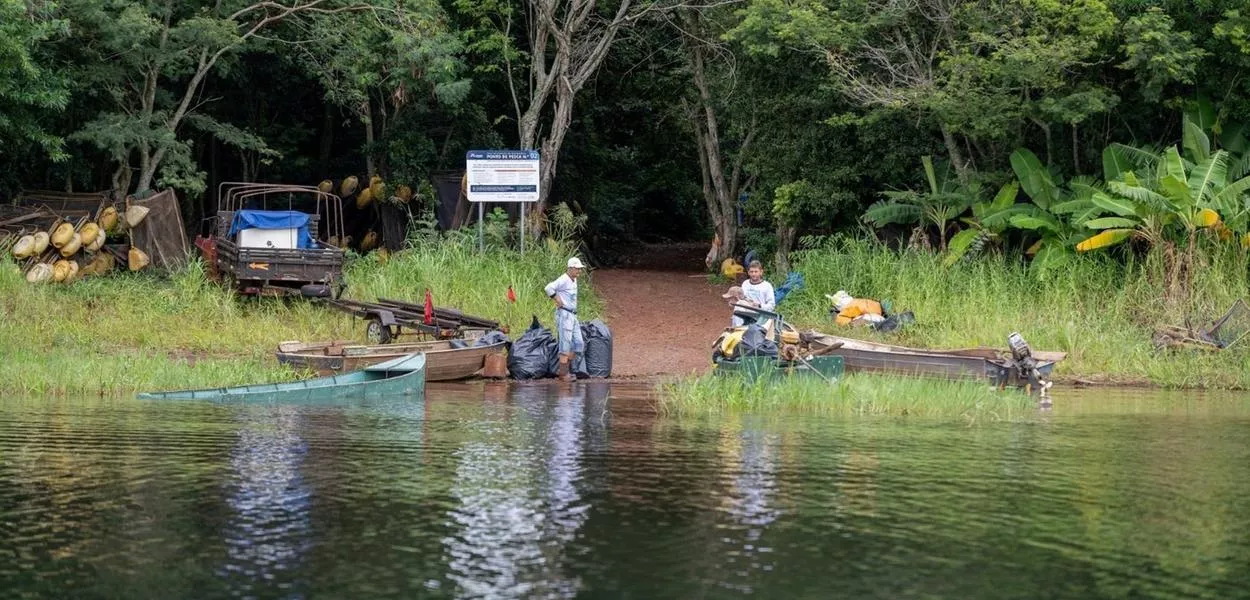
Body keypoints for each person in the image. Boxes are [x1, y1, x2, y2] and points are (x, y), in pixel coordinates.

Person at [545, 257, 585, 381]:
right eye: (577, 269)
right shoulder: (563, 279)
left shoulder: (574, 279)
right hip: (565, 314)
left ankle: (568, 369)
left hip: (573, 315)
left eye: (580, 269)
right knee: (565, 343)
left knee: (578, 343)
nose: (579, 271)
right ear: (571, 268)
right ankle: (563, 374)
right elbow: (548, 288)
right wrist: (557, 299)